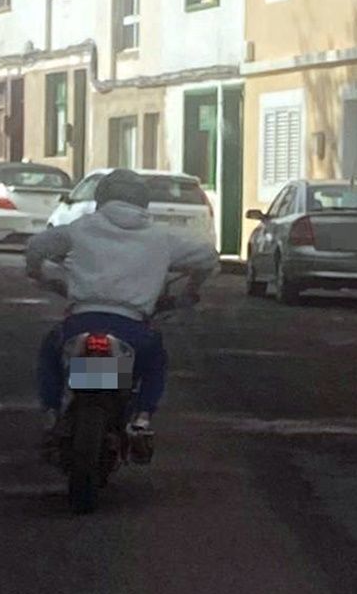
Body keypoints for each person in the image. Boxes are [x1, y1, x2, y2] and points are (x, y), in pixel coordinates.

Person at [26, 169, 218, 440]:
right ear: (143, 201)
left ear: (102, 196)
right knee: (155, 360)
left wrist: (38, 274)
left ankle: (51, 412)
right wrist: (189, 291)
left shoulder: (80, 227)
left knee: (50, 351)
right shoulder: (161, 238)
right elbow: (208, 257)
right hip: (132, 330)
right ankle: (141, 419)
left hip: (81, 322)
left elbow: (36, 247)